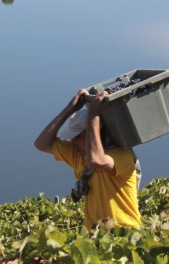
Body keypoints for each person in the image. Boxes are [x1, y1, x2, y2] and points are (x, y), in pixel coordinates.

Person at [34, 88, 141, 229]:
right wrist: (68, 111)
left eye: (77, 137)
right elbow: (41, 144)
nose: (72, 142)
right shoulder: (78, 155)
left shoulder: (122, 155)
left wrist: (93, 116)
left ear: (91, 133)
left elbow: (96, 160)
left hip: (124, 233)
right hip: (95, 237)